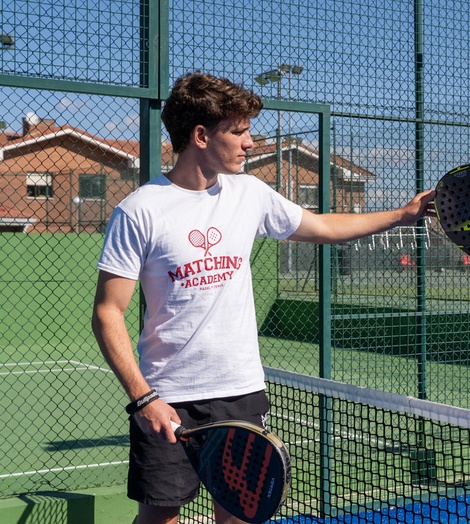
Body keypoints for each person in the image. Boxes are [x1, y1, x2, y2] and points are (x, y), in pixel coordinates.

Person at [91, 71, 435, 524]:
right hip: (168, 396)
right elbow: (108, 312)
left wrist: (402, 214)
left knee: (239, 517)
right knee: (160, 520)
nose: (250, 142)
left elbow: (322, 226)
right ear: (200, 136)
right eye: (238, 131)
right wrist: (143, 398)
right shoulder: (139, 210)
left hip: (241, 392)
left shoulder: (249, 193)